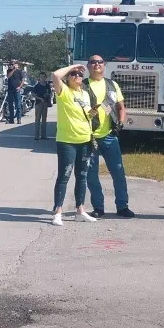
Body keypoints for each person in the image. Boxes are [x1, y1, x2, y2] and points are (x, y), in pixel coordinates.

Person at [82, 55, 134, 218]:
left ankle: (122, 206)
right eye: (93, 62)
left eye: (100, 62)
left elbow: (121, 107)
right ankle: (98, 207)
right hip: (89, 136)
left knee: (118, 171)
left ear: (104, 65)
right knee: (91, 175)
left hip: (109, 136)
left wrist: (120, 122)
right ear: (88, 66)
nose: (96, 64)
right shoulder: (82, 86)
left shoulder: (112, 84)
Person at [49, 64, 98, 227]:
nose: (77, 76)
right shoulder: (63, 91)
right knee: (64, 176)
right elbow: (55, 75)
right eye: (73, 74)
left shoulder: (85, 94)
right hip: (67, 141)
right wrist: (74, 66)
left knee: (82, 176)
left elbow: (87, 114)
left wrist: (92, 113)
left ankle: (80, 211)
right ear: (68, 77)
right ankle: (58, 212)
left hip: (85, 140)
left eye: (79, 74)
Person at [31, 75, 53, 140]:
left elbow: (50, 93)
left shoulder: (47, 86)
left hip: (45, 103)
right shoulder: (37, 86)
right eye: (41, 77)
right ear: (39, 78)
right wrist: (40, 98)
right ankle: (36, 136)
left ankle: (44, 135)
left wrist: (49, 96)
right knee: (37, 119)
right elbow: (33, 94)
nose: (42, 78)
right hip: (38, 103)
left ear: (46, 78)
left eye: (44, 77)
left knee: (44, 120)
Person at [4, 60, 25, 124]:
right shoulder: (8, 71)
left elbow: (22, 80)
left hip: (17, 90)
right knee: (10, 106)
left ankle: (19, 119)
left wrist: (19, 87)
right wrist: (13, 70)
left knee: (18, 105)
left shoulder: (19, 72)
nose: (10, 66)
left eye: (12, 65)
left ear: (14, 65)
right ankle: (11, 119)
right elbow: (8, 76)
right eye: (9, 65)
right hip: (10, 90)